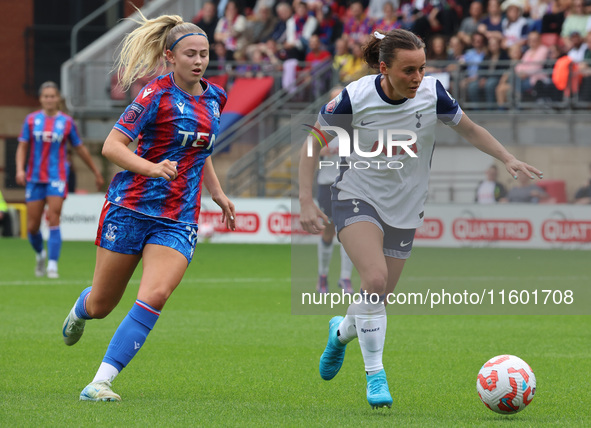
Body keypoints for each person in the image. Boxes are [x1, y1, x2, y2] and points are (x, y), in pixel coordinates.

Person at [298, 29, 542, 409]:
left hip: (406, 206)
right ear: (384, 68)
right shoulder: (355, 97)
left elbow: (471, 129)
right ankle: (375, 375)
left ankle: (340, 332)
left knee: (376, 296)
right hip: (355, 196)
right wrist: (304, 200)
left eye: (422, 69)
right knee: (374, 280)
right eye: (408, 70)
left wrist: (506, 157)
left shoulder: (433, 94)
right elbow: (312, 142)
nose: (417, 78)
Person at [61, 13, 236, 402]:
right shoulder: (153, 95)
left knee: (155, 294)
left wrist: (218, 192)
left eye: (205, 54)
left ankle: (99, 382)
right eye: (190, 54)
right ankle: (81, 309)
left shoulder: (216, 97)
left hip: (177, 218)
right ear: (170, 57)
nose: (199, 61)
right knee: (103, 304)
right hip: (130, 208)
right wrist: (152, 168)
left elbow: (199, 149)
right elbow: (112, 147)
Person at [16, 81, 104, 278]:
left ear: (58, 99)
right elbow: (22, 146)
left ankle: (53, 265)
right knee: (32, 226)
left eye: (52, 96)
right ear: (41, 99)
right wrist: (20, 169)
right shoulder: (31, 120)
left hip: (57, 177)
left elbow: (79, 148)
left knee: (54, 218)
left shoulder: (66, 122)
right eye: (45, 96)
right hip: (34, 177)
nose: (49, 99)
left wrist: (95, 171)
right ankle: (40, 254)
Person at [315, 88, 356, 295]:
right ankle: (322, 276)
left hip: (349, 184)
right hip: (327, 184)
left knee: (350, 232)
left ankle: (345, 278)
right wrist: (328, 150)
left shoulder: (353, 125)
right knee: (329, 230)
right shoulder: (323, 124)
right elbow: (311, 150)